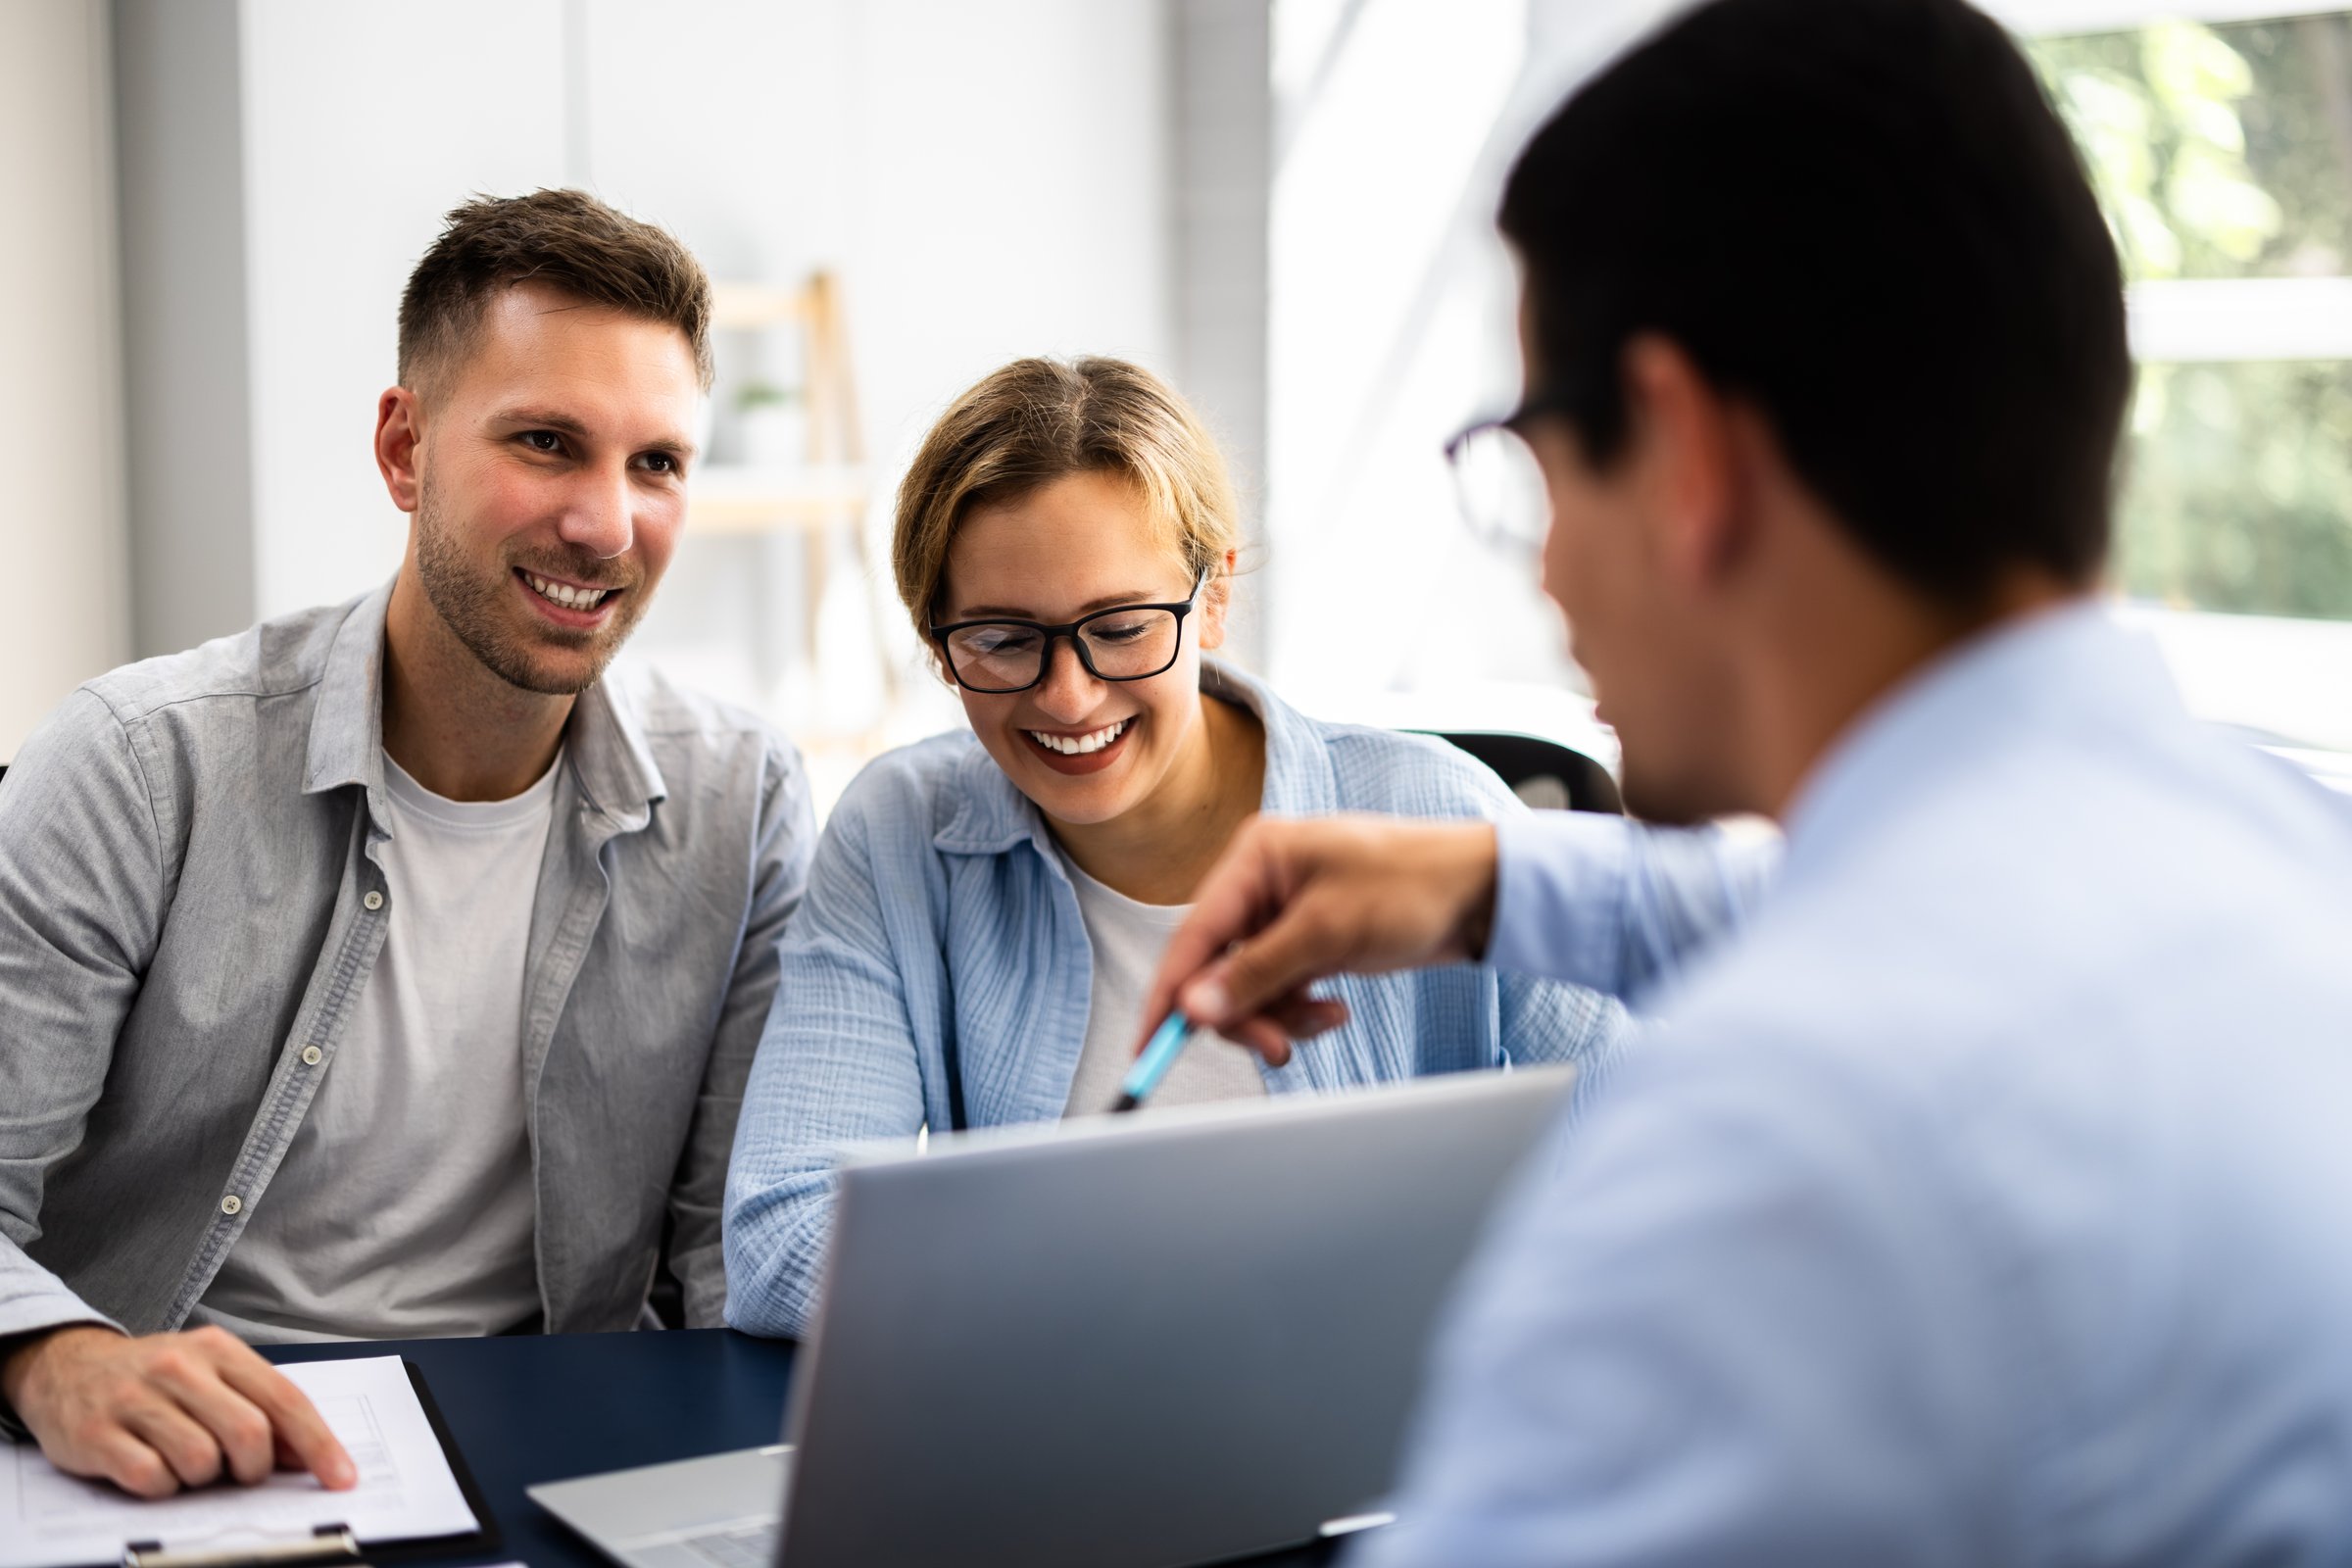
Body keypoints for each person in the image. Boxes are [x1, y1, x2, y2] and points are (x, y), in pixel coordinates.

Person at [1141, 0, 2352, 1560]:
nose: (1552, 565)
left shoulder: (1770, 1163)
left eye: (1540, 458)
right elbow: (1899, 904)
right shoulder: (2282, 854)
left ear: (1687, 451)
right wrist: (1490, 881)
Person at [0, 190, 814, 1497]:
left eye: (656, 463)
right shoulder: (139, 766)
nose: (606, 525)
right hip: (202, 1470)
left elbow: (733, 1260)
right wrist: (51, 1357)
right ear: (405, 449)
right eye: (547, 443)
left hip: (570, 1454)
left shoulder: (746, 800)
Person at [720, 356, 1628, 1338]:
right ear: (938, 643)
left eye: (1119, 627)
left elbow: (1643, 1177)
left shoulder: (1440, 820)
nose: (1068, 696)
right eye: (1000, 638)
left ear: (1217, 596)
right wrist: (1150, 1313)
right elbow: (782, 1238)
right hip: (1077, 1437)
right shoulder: (904, 832)